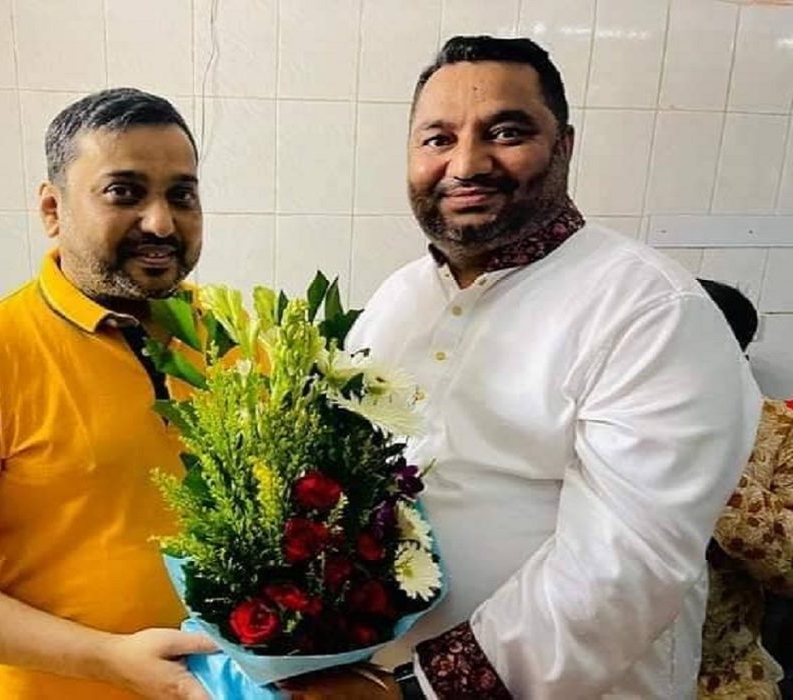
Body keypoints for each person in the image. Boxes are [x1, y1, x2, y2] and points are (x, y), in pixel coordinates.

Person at [292, 36, 761, 699]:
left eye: (506, 133)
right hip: (371, 676)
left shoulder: (653, 309)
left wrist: (420, 688)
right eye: (438, 139)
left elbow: (627, 565)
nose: (466, 163)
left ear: (564, 145)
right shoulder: (397, 299)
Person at [0, 88, 216, 700]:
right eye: (124, 192)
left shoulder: (236, 341)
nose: (160, 222)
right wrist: (108, 658)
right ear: (53, 209)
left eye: (181, 194)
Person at [696, 279, 792, 700]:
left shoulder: (775, 429)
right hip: (589, 667)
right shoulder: (594, 412)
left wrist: (707, 470)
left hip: (718, 675)